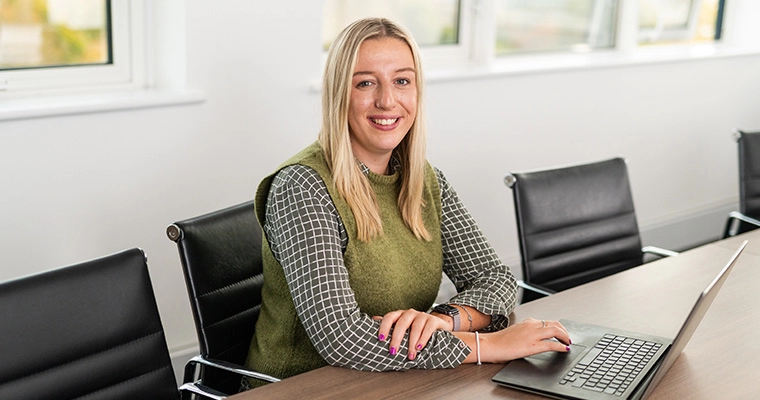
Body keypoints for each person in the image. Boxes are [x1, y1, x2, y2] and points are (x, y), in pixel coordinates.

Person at [242, 17, 570, 389]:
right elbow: (341, 338)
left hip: (394, 380)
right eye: (365, 83)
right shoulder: (303, 186)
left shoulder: (423, 179)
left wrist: (445, 320)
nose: (387, 100)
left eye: (402, 81)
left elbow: (496, 280)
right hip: (302, 387)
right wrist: (487, 344)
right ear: (339, 94)